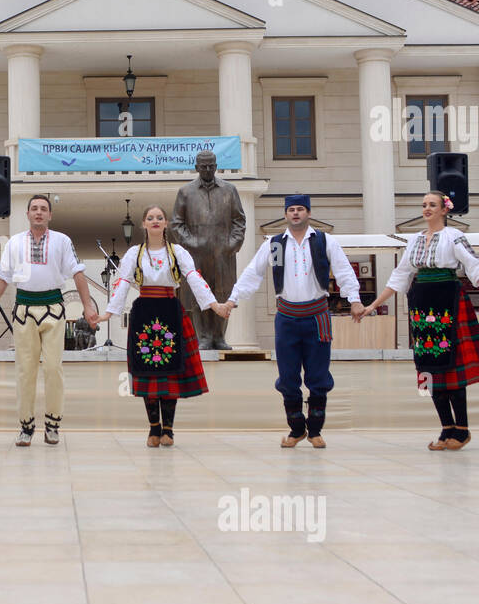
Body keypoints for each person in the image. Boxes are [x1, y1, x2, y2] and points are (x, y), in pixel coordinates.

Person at [361, 190, 479, 450]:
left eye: (432, 205)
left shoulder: (453, 237)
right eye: (424, 205)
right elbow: (400, 276)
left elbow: (475, 268)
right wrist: (373, 304)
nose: (427, 209)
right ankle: (446, 428)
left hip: (448, 300)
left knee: (452, 366)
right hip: (422, 304)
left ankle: (461, 429)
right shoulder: (414, 240)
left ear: (444, 209)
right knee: (428, 366)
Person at [213, 195, 364, 448]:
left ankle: (315, 430)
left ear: (308, 213)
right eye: (291, 210)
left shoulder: (325, 241)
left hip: (317, 316)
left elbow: (344, 270)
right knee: (287, 376)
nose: (295, 213)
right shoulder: (274, 244)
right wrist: (232, 300)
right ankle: (296, 429)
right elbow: (252, 273)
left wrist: (355, 299)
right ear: (285, 214)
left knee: (318, 375)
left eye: (300, 209)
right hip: (286, 318)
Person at [0, 194, 99, 445]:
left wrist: (87, 305)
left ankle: (53, 424)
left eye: (43, 209)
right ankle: (26, 426)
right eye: (34, 209)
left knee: (53, 368)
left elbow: (77, 272)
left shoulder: (62, 241)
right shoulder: (15, 243)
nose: (39, 212)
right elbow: (2, 277)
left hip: (53, 307)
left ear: (50, 215)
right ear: (27, 214)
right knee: (25, 371)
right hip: (24, 310)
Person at [98, 205, 215, 446]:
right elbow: (122, 281)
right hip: (144, 314)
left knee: (170, 372)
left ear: (166, 224)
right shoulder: (135, 253)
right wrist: (109, 312)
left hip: (171, 311)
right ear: (143, 224)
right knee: (148, 372)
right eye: (150, 218)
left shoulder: (177, 251)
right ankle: (154, 428)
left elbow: (193, 276)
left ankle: (168, 430)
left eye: (159, 218)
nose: (155, 221)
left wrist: (213, 304)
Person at [170, 150, 246, 349]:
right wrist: (192, 243)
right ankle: (203, 336)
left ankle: (219, 337)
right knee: (198, 294)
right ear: (196, 167)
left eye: (211, 166)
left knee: (222, 292)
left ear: (216, 166)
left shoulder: (229, 190)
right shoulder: (185, 192)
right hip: (196, 255)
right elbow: (177, 224)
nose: (207, 169)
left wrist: (233, 244)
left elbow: (239, 220)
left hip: (224, 254)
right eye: (203, 166)